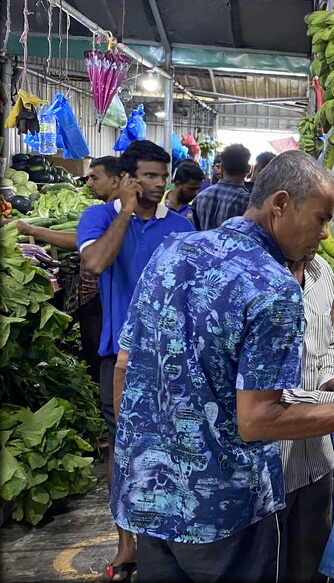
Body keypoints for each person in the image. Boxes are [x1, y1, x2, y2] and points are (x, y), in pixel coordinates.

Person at [110, 151, 334, 582]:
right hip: (221, 514)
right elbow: (257, 419)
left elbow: (128, 365)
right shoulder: (272, 285)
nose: (324, 235)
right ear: (279, 204)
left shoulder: (173, 252)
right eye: (320, 219)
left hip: (148, 499)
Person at [77, 140, 195, 583]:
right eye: (148, 175)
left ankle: (167, 535)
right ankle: (126, 544)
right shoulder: (101, 218)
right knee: (124, 450)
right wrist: (124, 211)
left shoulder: (181, 228)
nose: (159, 184)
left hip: (172, 360)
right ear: (128, 178)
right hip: (120, 359)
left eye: (163, 176)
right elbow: (93, 263)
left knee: (171, 447)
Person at [279, 252, 334, 583]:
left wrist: (331, 378)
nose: (324, 233)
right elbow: (264, 398)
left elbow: (330, 344)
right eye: (318, 219)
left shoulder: (322, 273)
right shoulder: (259, 279)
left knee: (312, 567)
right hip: (272, 467)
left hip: (317, 461)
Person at [16, 156, 123, 382]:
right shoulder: (108, 210)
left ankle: (108, 405)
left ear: (115, 181)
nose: (88, 184)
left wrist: (31, 230)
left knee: (102, 356)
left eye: (94, 177)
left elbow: (79, 240)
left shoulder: (115, 213)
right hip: (102, 295)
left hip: (105, 297)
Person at [190, 143, 251, 231]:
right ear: (248, 168)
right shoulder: (246, 201)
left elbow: (196, 231)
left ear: (221, 167)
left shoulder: (201, 196)